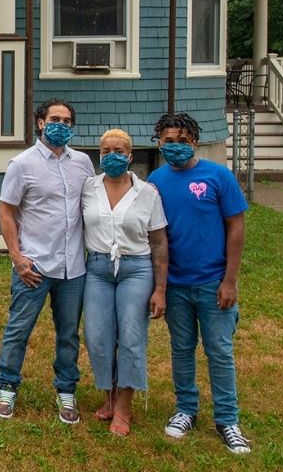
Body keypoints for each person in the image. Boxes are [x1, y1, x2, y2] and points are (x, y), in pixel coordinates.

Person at [147, 112, 252, 454]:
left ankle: (227, 419)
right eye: (168, 141)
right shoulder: (156, 180)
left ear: (194, 140)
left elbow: (236, 228)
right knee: (181, 349)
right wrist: (159, 287)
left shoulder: (219, 176)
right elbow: (154, 235)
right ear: (159, 143)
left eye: (181, 140)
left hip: (212, 282)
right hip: (175, 283)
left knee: (219, 350)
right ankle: (186, 409)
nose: (175, 146)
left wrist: (230, 280)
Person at [0, 99, 94, 423]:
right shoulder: (22, 164)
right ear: (40, 122)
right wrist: (18, 259)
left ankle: (66, 391)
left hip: (73, 267)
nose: (60, 125)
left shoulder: (84, 164)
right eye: (54, 119)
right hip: (33, 266)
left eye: (66, 121)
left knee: (68, 334)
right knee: (18, 329)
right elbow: (6, 212)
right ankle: (7, 386)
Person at [81, 129, 169, 437]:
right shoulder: (88, 188)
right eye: (106, 151)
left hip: (136, 269)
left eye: (119, 151)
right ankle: (108, 392)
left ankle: (124, 406)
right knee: (97, 335)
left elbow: (158, 242)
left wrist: (160, 289)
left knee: (131, 337)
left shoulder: (147, 192)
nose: (112, 155)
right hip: (98, 268)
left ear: (130, 156)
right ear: (100, 155)